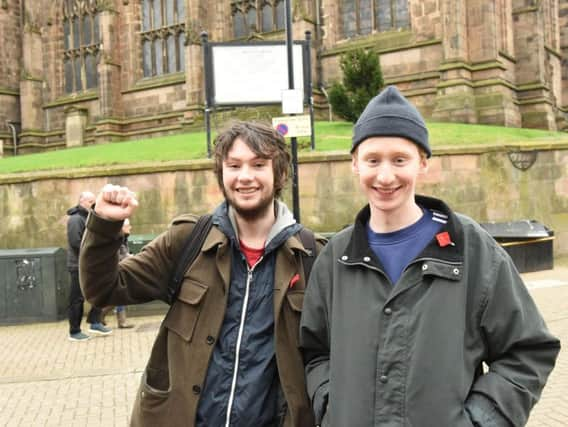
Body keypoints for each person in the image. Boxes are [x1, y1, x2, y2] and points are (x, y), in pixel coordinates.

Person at [299, 86, 561, 427]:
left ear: (423, 163)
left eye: (400, 159)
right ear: (354, 164)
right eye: (372, 160)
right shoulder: (336, 256)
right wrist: (330, 406)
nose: (385, 176)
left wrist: (480, 420)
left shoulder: (471, 248)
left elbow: (528, 350)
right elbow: (315, 350)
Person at [79, 121, 325, 426]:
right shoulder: (189, 240)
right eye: (234, 165)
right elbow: (104, 289)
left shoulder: (310, 255)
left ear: (281, 174)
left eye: (259, 164)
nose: (245, 176)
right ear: (221, 175)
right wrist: (104, 226)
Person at [66, 191, 112, 341]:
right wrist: (92, 254)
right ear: (81, 201)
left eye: (94, 201)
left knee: (100, 291)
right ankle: (74, 331)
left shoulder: (89, 217)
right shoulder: (75, 219)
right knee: (77, 298)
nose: (92, 204)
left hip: (91, 263)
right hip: (78, 265)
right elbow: (75, 243)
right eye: (90, 201)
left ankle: (95, 321)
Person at [101, 218, 135, 329]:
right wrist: (129, 257)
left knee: (120, 294)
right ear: (121, 228)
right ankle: (100, 314)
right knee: (119, 294)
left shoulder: (123, 238)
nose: (130, 228)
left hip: (120, 269)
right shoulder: (117, 239)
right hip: (114, 271)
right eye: (128, 226)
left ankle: (120, 321)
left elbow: (123, 253)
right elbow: (115, 256)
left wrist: (128, 256)